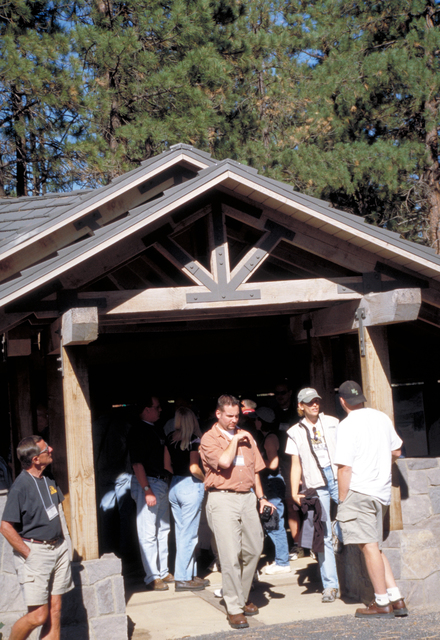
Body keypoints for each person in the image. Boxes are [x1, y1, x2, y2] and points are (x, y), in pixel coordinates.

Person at [199, 394, 275, 630]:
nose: (234, 420)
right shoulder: (209, 438)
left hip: (247, 498)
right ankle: (234, 607)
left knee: (254, 549)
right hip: (222, 499)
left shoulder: (247, 436)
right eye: (229, 416)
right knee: (230, 555)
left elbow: (255, 471)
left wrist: (261, 498)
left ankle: (241, 596)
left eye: (236, 416)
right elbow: (223, 462)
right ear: (218, 414)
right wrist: (234, 440)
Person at [335, 380, 408, 618]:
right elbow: (396, 450)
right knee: (375, 546)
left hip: (359, 491)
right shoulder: (381, 418)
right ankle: (396, 598)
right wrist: (380, 466)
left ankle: (381, 602)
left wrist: (342, 500)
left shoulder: (346, 426)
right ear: (362, 398)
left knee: (369, 548)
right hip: (381, 491)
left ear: (342, 401)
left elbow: (344, 468)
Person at [0, 436, 73, 640]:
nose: (51, 449)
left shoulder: (48, 478)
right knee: (38, 616)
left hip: (57, 549)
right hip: (36, 553)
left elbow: (57, 512)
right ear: (35, 460)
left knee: (55, 611)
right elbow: (5, 527)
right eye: (45, 449)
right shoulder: (20, 486)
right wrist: (29, 554)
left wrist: (65, 543)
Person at [285, 388, 341, 603]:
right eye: (309, 402)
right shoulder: (294, 431)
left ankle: (340, 531)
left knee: (349, 518)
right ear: (301, 406)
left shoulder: (334, 423)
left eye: (317, 401)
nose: (314, 405)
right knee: (323, 533)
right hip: (315, 482)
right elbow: (295, 464)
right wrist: (293, 493)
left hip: (337, 475)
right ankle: (330, 586)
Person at [128, 395, 174, 591]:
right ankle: (152, 576)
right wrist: (146, 489)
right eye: (157, 407)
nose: (160, 410)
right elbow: (137, 463)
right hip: (149, 483)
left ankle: (163, 571)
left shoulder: (156, 429)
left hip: (160, 483)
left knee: (163, 530)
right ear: (146, 409)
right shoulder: (138, 430)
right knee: (148, 532)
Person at [164, 407, 207, 592]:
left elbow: (167, 465)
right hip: (190, 484)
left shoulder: (169, 438)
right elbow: (194, 468)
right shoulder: (194, 440)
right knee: (189, 534)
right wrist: (208, 480)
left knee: (182, 533)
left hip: (174, 485)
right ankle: (182, 577)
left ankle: (189, 574)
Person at [254, 407, 291, 575]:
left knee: (274, 522)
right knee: (272, 521)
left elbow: (273, 463)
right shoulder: (270, 436)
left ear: (262, 421)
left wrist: (258, 464)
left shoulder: (269, 439)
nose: (255, 422)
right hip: (271, 483)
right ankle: (280, 559)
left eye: (257, 419)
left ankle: (282, 562)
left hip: (271, 483)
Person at [272, 379, 303, 560]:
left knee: (309, 505)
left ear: (290, 393)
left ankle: (315, 544)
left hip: (303, 462)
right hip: (283, 464)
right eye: (277, 393)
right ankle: (298, 545)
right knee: (290, 504)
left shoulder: (299, 412)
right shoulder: (272, 415)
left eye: (283, 392)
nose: (280, 397)